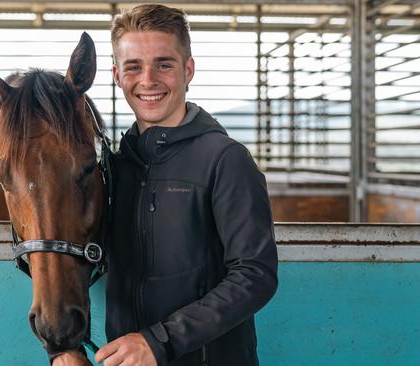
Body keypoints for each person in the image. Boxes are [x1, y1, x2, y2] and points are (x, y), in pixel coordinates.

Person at [55, 4, 278, 366]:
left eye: (164, 64)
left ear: (187, 69)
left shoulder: (225, 159)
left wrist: (158, 342)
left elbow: (255, 276)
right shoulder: (113, 167)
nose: (148, 80)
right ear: (116, 75)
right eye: (133, 67)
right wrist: (64, 347)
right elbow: (71, 254)